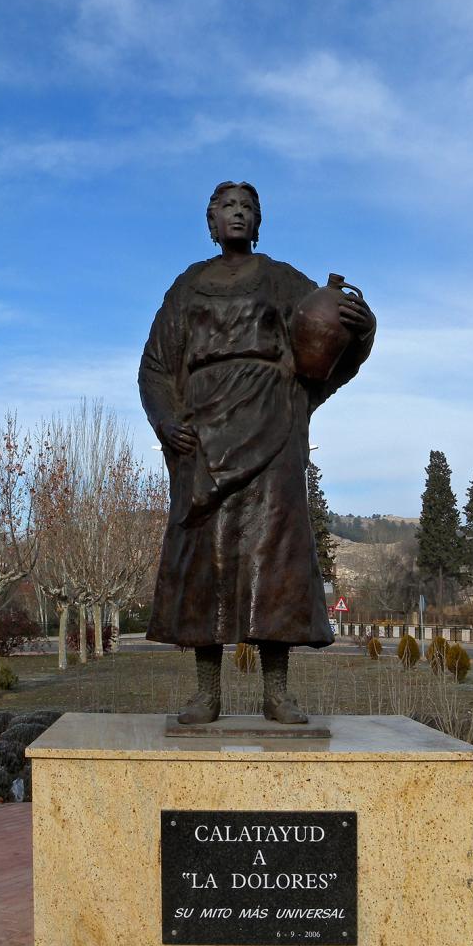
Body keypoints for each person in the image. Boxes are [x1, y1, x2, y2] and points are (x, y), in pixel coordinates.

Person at [138, 182, 375, 724]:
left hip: (273, 424)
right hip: (203, 433)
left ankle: (277, 692)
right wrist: (167, 421)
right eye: (228, 207)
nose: (238, 214)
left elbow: (327, 339)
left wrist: (363, 332)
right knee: (206, 559)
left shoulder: (283, 279)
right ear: (211, 222)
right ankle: (206, 693)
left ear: (258, 221)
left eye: (248, 207)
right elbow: (154, 367)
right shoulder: (187, 286)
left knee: (277, 558)